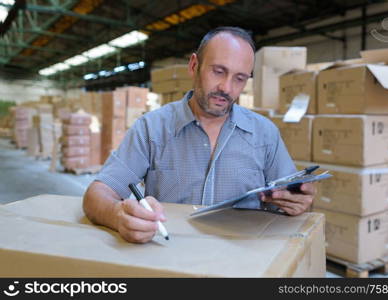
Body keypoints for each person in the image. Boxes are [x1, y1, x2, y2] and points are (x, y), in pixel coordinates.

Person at [83, 26, 316, 244]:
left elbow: (294, 198)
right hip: (171, 259)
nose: (227, 87)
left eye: (239, 78)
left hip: (242, 263)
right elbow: (96, 195)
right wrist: (118, 216)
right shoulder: (152, 128)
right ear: (194, 65)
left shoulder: (265, 134)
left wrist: (300, 202)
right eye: (218, 71)